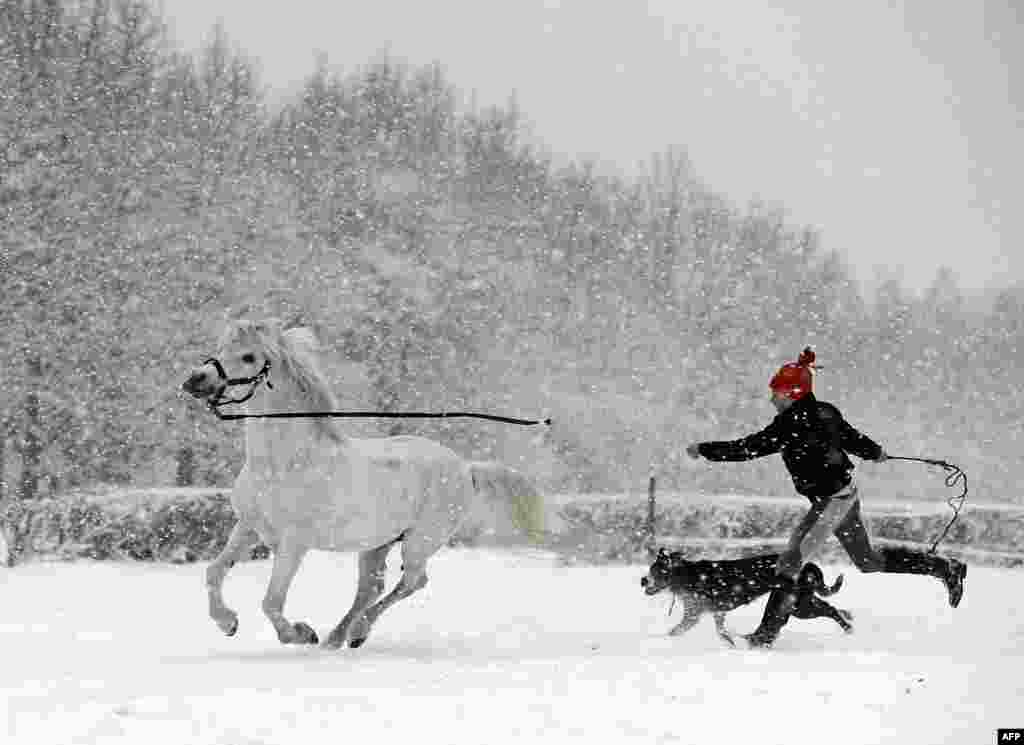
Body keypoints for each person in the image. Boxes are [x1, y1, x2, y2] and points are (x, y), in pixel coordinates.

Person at [685, 347, 967, 648]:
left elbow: (746, 448)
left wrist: (705, 450)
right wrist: (875, 452)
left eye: (776, 394)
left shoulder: (790, 424)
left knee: (789, 565)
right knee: (868, 561)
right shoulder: (826, 412)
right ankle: (943, 567)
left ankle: (763, 637)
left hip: (832, 502)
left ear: (793, 393)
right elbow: (851, 438)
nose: (772, 400)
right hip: (844, 495)